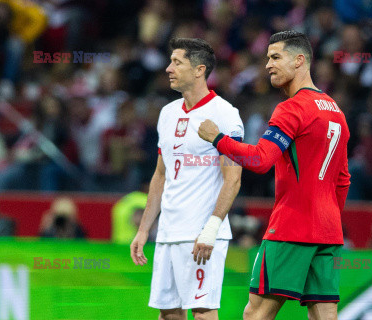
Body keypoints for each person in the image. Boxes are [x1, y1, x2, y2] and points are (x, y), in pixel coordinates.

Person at [198, 31, 351, 320]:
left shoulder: (292, 108)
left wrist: (217, 138)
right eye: (267, 57)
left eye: (276, 57)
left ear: (300, 60)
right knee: (325, 314)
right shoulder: (336, 112)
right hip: (329, 231)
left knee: (255, 314)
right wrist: (326, 218)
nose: (268, 64)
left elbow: (259, 160)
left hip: (292, 227)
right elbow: (342, 179)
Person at [130, 38, 244, 320]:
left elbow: (233, 179)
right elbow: (161, 174)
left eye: (176, 62)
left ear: (199, 70)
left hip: (201, 234)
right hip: (168, 232)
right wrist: (145, 230)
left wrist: (211, 229)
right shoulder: (167, 113)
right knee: (168, 313)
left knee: (203, 312)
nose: (168, 68)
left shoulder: (225, 114)